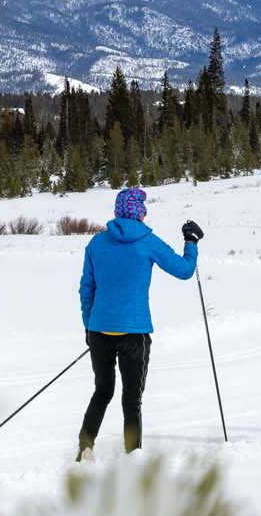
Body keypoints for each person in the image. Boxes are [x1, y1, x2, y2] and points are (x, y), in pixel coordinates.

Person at [76, 187, 202, 460]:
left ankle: (85, 448)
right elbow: (184, 270)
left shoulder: (97, 243)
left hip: (99, 330)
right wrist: (191, 242)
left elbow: (87, 288)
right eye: (144, 210)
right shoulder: (147, 241)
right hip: (134, 332)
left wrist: (89, 325)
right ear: (140, 213)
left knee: (102, 391)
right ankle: (132, 456)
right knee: (132, 400)